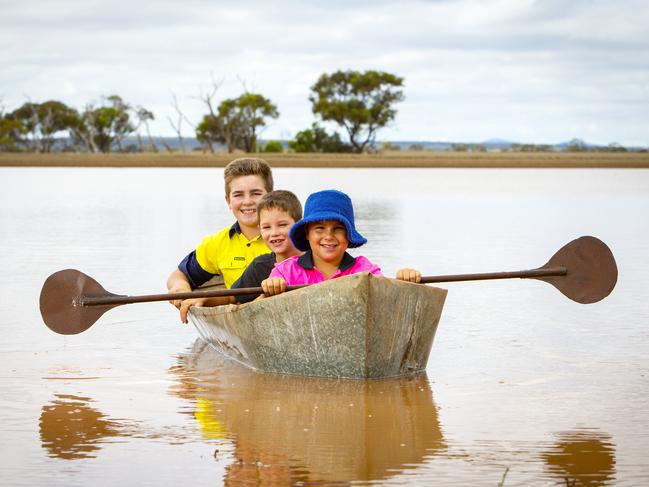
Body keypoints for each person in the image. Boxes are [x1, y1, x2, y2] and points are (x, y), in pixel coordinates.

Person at [167, 157, 273, 322]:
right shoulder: (217, 243)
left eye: (256, 193)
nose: (247, 201)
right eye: (238, 195)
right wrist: (181, 288)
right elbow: (179, 275)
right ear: (228, 201)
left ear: (270, 196)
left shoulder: (291, 237)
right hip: (239, 318)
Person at [261, 189, 421, 296]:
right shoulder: (285, 272)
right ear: (307, 234)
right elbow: (263, 308)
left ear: (348, 234)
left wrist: (405, 281)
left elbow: (387, 296)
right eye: (319, 228)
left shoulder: (364, 269)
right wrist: (270, 289)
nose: (328, 236)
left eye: (338, 228)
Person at [177, 190, 303, 322]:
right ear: (260, 229)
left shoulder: (315, 259)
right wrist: (204, 298)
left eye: (282, 225)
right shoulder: (259, 266)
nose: (274, 233)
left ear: (298, 225)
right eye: (266, 227)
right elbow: (231, 297)